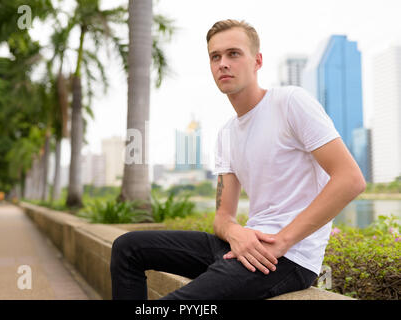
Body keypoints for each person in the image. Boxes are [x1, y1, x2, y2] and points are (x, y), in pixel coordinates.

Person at [110, 19, 366, 300]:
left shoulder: (291, 102)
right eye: (215, 56)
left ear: (257, 61)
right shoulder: (227, 133)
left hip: (287, 258)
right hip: (242, 244)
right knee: (127, 247)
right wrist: (235, 232)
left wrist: (281, 242)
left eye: (233, 53)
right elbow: (222, 217)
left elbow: (350, 179)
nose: (223, 63)